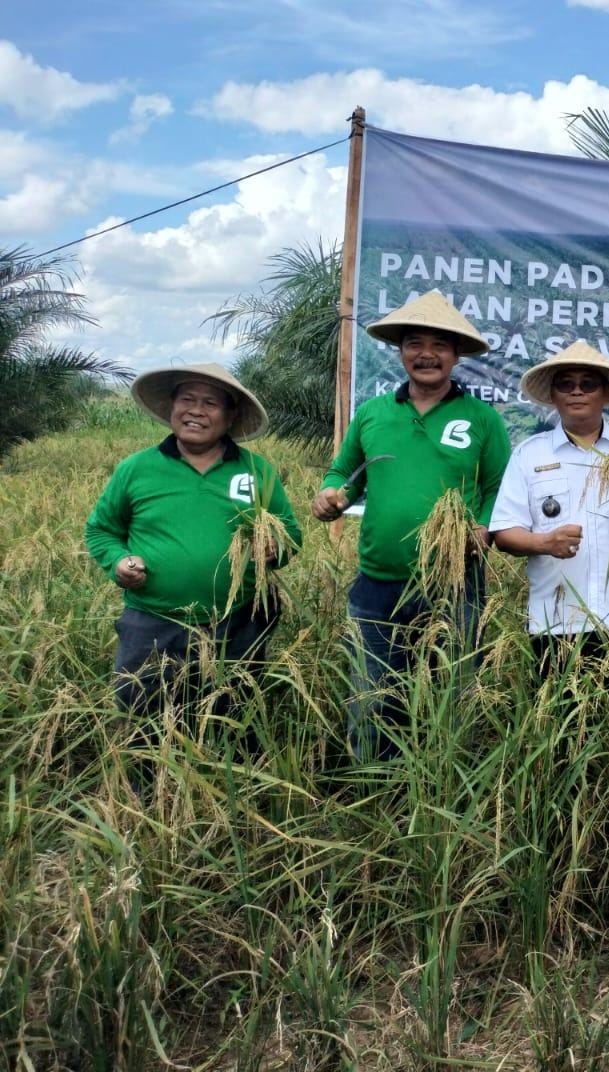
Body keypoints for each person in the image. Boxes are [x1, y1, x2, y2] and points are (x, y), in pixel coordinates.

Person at [311, 289, 511, 760]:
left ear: (456, 354)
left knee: (455, 691)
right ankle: (373, 789)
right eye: (415, 343)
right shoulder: (373, 414)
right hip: (379, 581)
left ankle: (448, 780)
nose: (427, 354)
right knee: (372, 692)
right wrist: (331, 494)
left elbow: (498, 488)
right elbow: (345, 473)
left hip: (454, 581)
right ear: (400, 352)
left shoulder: (481, 419)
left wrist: (482, 529)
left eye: (440, 345)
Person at [85, 362, 300, 717]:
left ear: (230, 416)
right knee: (143, 722)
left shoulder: (255, 471)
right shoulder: (137, 469)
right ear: (172, 406)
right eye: (188, 399)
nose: (196, 410)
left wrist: (275, 548)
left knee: (230, 721)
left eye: (211, 403)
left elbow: (290, 534)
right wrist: (118, 562)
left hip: (235, 624)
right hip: (151, 623)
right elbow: (102, 530)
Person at [488, 341, 609, 687]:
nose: (577, 392)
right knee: (556, 731)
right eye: (566, 384)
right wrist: (544, 542)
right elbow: (504, 534)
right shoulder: (529, 455)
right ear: (554, 394)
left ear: (605, 393)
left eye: (588, 384)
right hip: (554, 620)